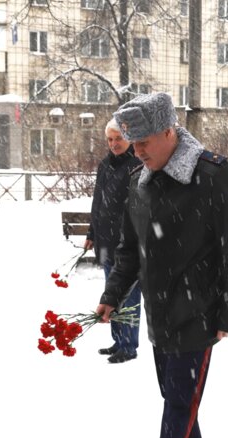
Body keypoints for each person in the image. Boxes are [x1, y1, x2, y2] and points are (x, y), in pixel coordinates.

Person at [95, 92, 228, 438]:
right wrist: (113, 294)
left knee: (179, 402)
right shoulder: (140, 180)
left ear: (170, 131)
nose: (138, 150)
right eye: (134, 142)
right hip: (158, 310)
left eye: (145, 140)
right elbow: (131, 250)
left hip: (199, 311)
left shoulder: (214, 176)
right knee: (173, 393)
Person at [85, 119, 143, 363]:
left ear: (129, 138)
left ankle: (129, 345)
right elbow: (98, 202)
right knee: (112, 293)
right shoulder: (105, 165)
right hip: (106, 242)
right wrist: (91, 233)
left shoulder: (137, 165)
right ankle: (118, 340)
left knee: (128, 295)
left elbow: (138, 208)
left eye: (118, 138)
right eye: (110, 139)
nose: (114, 144)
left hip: (126, 245)